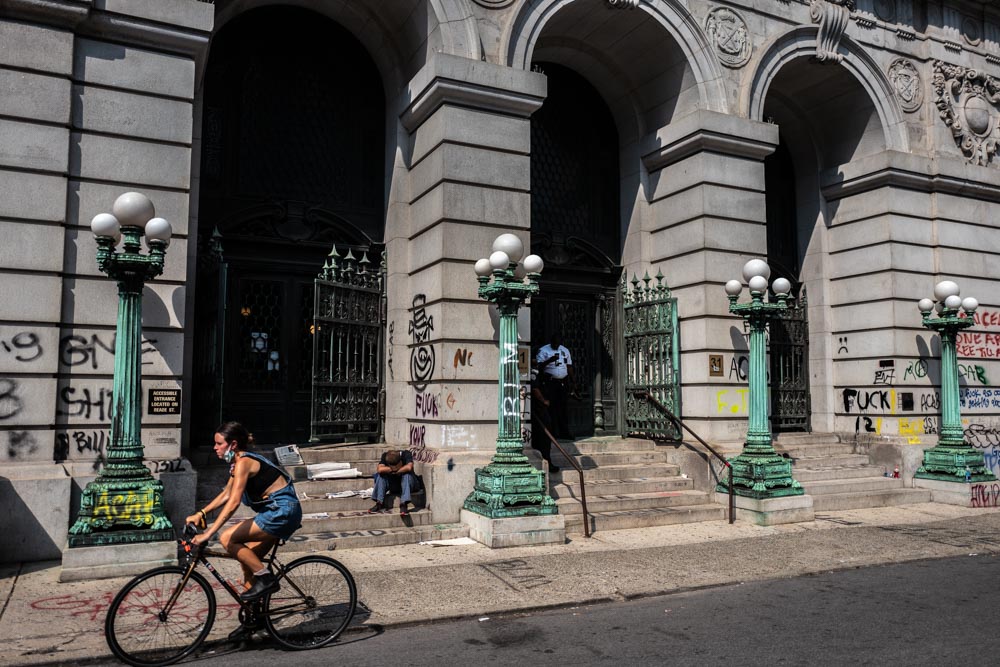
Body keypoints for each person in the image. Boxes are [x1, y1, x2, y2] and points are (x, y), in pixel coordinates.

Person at [185, 422, 302, 607]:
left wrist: (208, 534)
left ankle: (267, 580)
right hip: (275, 511)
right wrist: (201, 513)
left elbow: (233, 502)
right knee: (248, 561)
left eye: (219, 443)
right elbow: (226, 493)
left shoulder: (244, 462)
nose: (215, 447)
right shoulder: (237, 463)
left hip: (282, 511)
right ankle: (254, 615)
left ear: (233, 444)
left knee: (227, 538)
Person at [535, 331, 574, 438]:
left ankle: (564, 432)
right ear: (551, 342)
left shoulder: (565, 350)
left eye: (558, 343)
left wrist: (573, 382)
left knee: (563, 408)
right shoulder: (544, 350)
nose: (556, 345)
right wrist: (549, 360)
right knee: (552, 408)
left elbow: (569, 366)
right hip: (550, 382)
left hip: (562, 382)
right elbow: (539, 367)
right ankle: (553, 433)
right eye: (554, 343)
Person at [369, 449, 420, 516]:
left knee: (406, 475)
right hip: (394, 484)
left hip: (409, 484)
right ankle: (379, 503)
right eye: (392, 467)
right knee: (381, 476)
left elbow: (409, 467)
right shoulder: (385, 455)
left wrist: (397, 471)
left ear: (400, 461)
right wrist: (392, 469)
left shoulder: (406, 454)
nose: (394, 468)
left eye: (396, 466)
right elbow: (380, 469)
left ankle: (404, 504)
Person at [529, 369, 560, 474]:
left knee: (545, 439)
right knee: (544, 439)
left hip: (542, 410)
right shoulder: (533, 374)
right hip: (539, 411)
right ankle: (547, 462)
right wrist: (543, 401)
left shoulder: (539, 372)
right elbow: (535, 389)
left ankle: (547, 461)